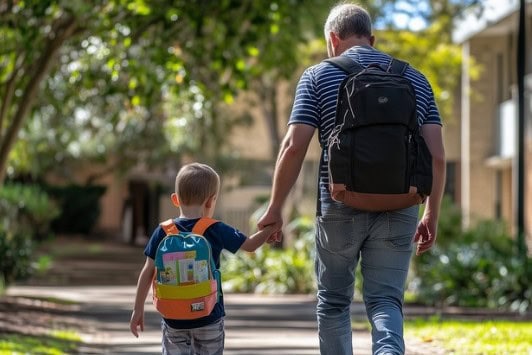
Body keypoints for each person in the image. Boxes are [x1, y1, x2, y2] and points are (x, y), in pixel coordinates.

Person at [258, 3, 446, 355]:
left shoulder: (317, 76)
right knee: (386, 300)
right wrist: (431, 215)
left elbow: (293, 147)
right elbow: (436, 154)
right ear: (371, 39)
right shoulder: (416, 79)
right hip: (401, 203)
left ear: (333, 39)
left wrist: (274, 208)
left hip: (339, 203)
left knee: (333, 302)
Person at [130, 162, 277, 355]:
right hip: (209, 317)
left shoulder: (163, 231)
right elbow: (250, 245)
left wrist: (137, 309)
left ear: (175, 199)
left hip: (173, 318)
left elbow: (147, 271)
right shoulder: (215, 229)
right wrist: (270, 228)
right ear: (210, 201)